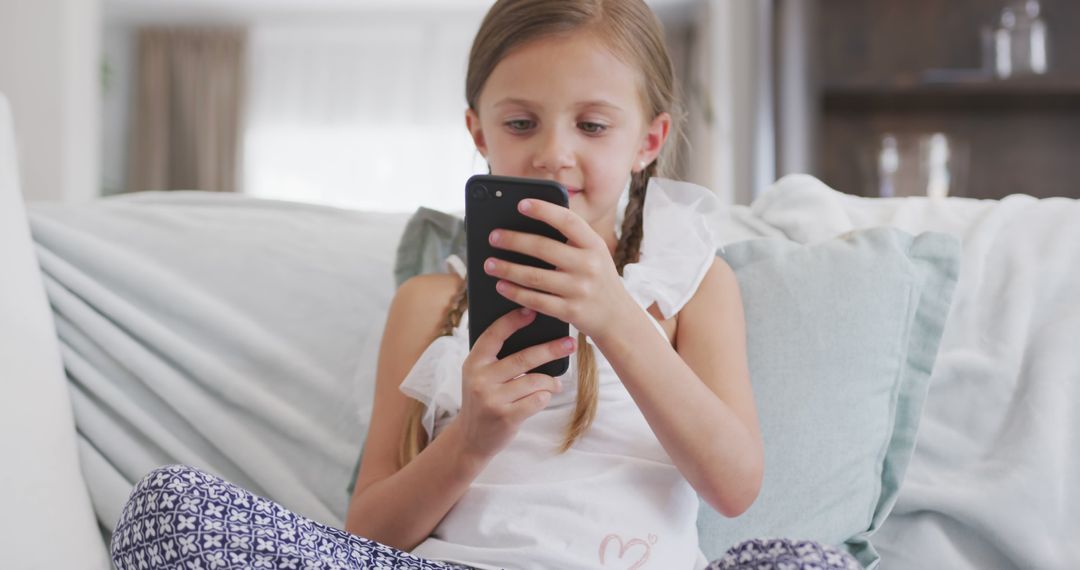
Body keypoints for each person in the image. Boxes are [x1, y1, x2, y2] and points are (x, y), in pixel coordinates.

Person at [110, 1, 862, 569]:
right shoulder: (431, 305)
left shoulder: (695, 287)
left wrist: (615, 316)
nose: (553, 154)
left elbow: (735, 488)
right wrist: (470, 440)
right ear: (480, 133)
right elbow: (368, 533)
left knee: (811, 562)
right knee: (169, 507)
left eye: (593, 126)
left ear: (649, 141)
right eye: (522, 123)